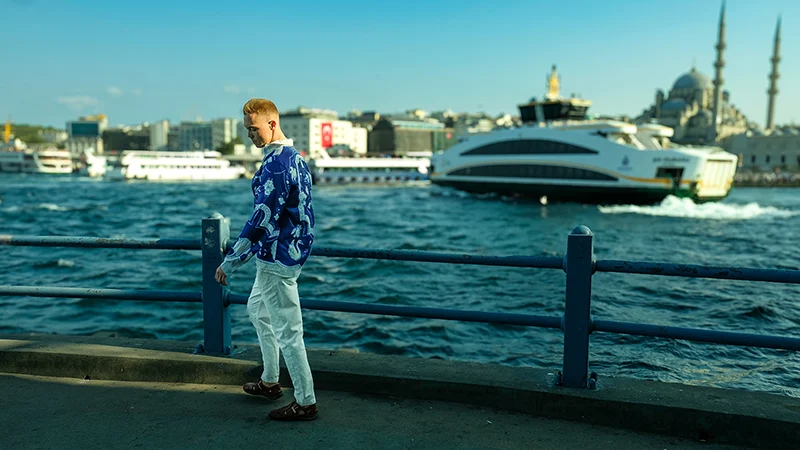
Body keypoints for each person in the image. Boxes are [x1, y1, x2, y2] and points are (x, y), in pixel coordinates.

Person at [215, 98, 318, 421]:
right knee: (258, 310)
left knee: (288, 331)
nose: (250, 136)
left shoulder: (275, 165)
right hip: (289, 251)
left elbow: (262, 218)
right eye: (247, 130)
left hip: (276, 256)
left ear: (272, 124)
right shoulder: (294, 157)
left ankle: (305, 401)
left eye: (254, 128)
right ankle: (270, 381)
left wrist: (230, 261)